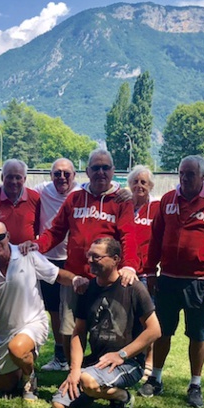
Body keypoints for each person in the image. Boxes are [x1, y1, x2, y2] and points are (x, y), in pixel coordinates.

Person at [20, 149, 139, 369]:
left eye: (105, 168)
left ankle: (102, 372)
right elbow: (56, 230)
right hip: (75, 277)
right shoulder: (75, 198)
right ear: (87, 171)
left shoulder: (121, 200)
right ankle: (73, 370)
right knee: (69, 329)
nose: (101, 172)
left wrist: (130, 266)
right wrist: (38, 245)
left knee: (107, 330)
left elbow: (128, 236)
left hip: (105, 280)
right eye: (96, 168)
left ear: (113, 171)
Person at [0, 221, 83, 400]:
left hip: (33, 323)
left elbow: (57, 275)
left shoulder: (27, 255)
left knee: (17, 349)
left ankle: (30, 378)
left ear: (8, 236)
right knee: (5, 387)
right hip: (5, 332)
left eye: (0, 237)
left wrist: (75, 280)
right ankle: (23, 365)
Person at [142, 155, 204, 408]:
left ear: (203, 176)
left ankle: (195, 384)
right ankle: (156, 379)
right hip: (168, 279)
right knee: (162, 332)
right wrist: (150, 271)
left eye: (190, 174)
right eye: (181, 173)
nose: (184, 178)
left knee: (197, 335)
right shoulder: (168, 200)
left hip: (200, 282)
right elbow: (156, 238)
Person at [51, 238, 161, 408]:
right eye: (89, 256)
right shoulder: (88, 289)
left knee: (88, 381)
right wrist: (74, 370)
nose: (90, 260)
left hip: (128, 363)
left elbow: (155, 330)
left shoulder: (133, 288)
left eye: (97, 257)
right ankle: (104, 392)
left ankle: (123, 397)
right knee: (59, 406)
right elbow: (78, 332)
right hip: (97, 362)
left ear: (115, 259)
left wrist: (121, 354)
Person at [0, 159, 41, 372]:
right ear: (2, 178)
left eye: (18, 177)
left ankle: (22, 349)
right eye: (9, 177)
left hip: (24, 265)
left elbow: (38, 229)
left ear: (25, 178)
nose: (13, 181)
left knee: (23, 308)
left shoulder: (35, 198)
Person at [34, 158, 81, 371]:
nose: (61, 177)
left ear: (74, 175)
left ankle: (77, 355)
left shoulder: (80, 192)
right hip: (47, 257)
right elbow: (19, 188)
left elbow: (114, 186)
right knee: (54, 310)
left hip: (72, 260)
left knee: (72, 310)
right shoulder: (42, 190)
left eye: (66, 173)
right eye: (57, 173)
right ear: (51, 176)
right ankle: (60, 355)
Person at [128, 165, 160, 380]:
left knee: (147, 319)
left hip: (146, 273)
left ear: (151, 186)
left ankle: (149, 359)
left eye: (144, 182)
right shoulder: (123, 206)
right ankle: (131, 357)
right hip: (125, 271)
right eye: (135, 182)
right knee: (127, 319)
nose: (139, 186)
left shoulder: (156, 208)